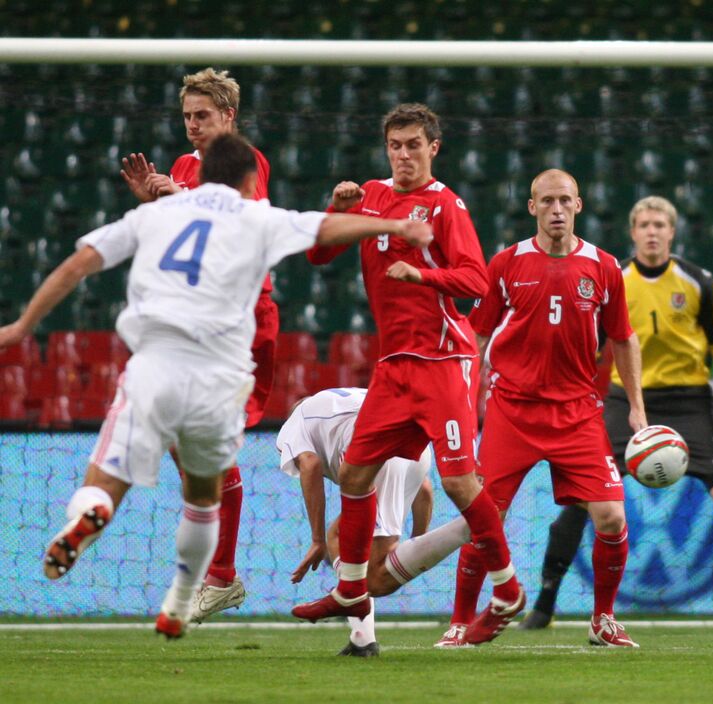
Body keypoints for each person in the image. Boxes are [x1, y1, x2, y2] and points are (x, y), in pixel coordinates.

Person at [0, 134, 430, 638]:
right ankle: (182, 600)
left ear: (199, 176)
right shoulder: (258, 217)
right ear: (252, 181)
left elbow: (79, 263)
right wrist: (397, 224)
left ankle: (91, 512)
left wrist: (22, 327)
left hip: (154, 367)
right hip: (219, 382)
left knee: (106, 481)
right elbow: (329, 227)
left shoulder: (155, 215)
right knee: (204, 499)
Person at [290, 104, 524, 647]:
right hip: (395, 364)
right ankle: (350, 590)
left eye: (413, 144)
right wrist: (338, 208)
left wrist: (420, 273)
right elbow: (320, 257)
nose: (403, 154)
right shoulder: (372, 195)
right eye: (395, 145)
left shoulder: (446, 206)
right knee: (353, 473)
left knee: (460, 482)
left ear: (433, 148)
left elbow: (476, 282)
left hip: (444, 360)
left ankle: (507, 587)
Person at [517, 195, 713, 630]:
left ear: (672, 232)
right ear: (633, 232)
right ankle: (545, 602)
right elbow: (592, 343)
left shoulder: (698, 281)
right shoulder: (614, 279)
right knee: (584, 499)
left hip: (691, 402)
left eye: (660, 224)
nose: (652, 231)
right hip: (627, 401)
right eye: (644, 224)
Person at [435, 169, 647, 649]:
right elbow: (477, 336)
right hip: (513, 409)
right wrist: (467, 402)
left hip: (577, 412)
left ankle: (603, 620)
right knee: (482, 518)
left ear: (579, 205)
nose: (556, 209)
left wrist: (636, 407)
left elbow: (623, 338)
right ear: (532, 207)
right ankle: (459, 620)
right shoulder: (506, 264)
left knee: (611, 518)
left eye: (564, 201)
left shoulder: (605, 266)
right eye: (546, 201)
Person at [118, 68, 277, 621]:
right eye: (187, 116)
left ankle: (223, 575)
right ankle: (220, 574)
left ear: (228, 117)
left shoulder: (243, 160)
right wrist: (149, 202)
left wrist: (181, 194)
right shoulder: (185, 164)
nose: (192, 125)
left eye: (202, 115)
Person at [277, 387, 435, 658]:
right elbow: (425, 491)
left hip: (370, 446)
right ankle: (362, 638)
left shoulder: (295, 422)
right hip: (418, 445)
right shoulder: (339, 402)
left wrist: (316, 540)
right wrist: (416, 544)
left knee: (355, 557)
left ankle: (362, 634)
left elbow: (310, 465)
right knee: (346, 539)